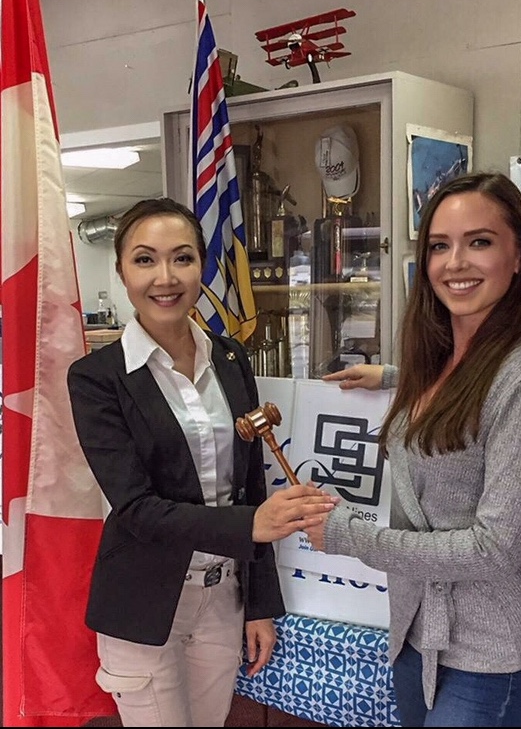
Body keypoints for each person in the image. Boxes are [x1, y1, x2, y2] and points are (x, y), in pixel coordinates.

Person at [305, 172, 521, 727]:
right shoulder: (441, 360)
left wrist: (349, 536)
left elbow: (494, 550)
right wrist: (391, 377)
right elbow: (465, 400)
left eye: (480, 242)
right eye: (439, 246)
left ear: (519, 256)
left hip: (494, 655)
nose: (455, 263)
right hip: (418, 631)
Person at [67, 197, 336, 728]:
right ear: (121, 271)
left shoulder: (230, 358)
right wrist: (249, 525)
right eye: (145, 259)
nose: (165, 277)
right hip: (144, 602)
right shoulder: (97, 378)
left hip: (223, 598)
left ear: (202, 267)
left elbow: (251, 485)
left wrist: (259, 604)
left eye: (182, 258)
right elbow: (136, 508)